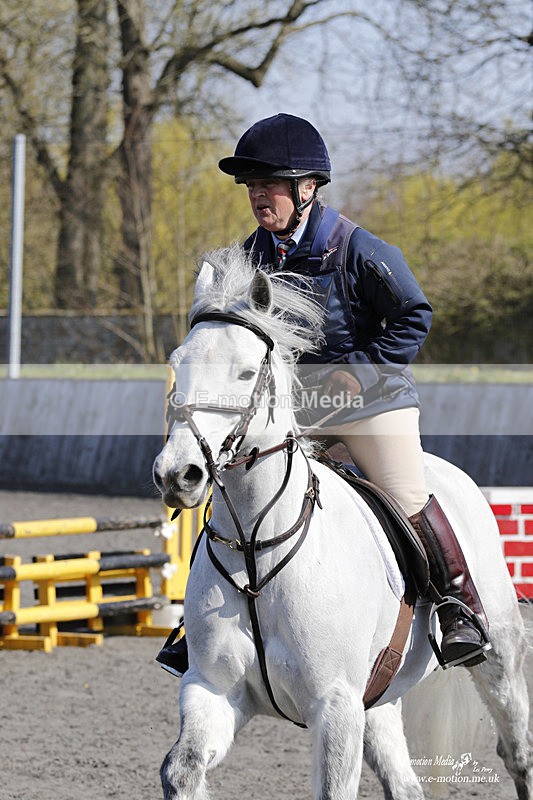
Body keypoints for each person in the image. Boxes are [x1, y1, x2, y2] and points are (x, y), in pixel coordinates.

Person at [156, 113, 490, 677]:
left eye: (271, 184)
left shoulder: (357, 248)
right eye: (252, 185)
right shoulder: (247, 258)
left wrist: (357, 371)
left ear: (306, 188)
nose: (259, 194)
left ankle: (461, 605)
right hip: (299, 413)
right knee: (239, 495)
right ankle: (200, 623)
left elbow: (415, 315)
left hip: (372, 402)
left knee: (406, 495)